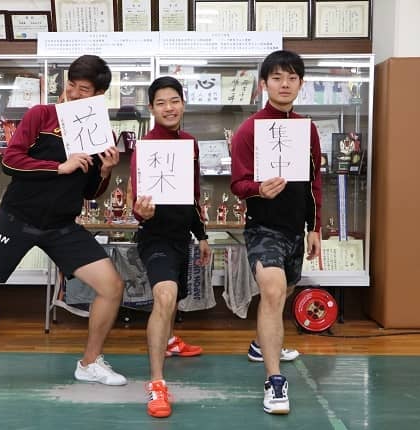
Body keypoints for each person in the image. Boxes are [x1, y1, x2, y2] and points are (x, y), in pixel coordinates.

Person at [0, 55, 127, 387]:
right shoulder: (41, 115)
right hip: (16, 219)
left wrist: (105, 171)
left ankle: (89, 363)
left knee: (112, 286)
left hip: (61, 226)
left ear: (99, 95)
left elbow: (90, 192)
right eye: (71, 85)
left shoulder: (100, 132)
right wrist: (59, 166)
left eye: (84, 89)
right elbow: (11, 161)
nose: (73, 93)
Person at [230, 50, 322, 415]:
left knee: (285, 290)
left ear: (300, 84)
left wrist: (314, 228)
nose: (285, 84)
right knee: (272, 290)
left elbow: (315, 181)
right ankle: (274, 380)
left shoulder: (306, 129)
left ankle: (260, 344)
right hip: (263, 227)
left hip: (296, 229)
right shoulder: (249, 129)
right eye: (277, 78)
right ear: (264, 84)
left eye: (292, 78)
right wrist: (258, 190)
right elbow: (238, 184)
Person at [130, 76, 211, 418]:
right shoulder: (145, 146)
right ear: (151, 108)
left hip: (182, 236)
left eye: (174, 100)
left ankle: (171, 340)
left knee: (175, 293)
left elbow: (193, 195)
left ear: (183, 103)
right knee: (165, 295)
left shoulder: (190, 144)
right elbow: (137, 199)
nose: (168, 108)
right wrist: (141, 211)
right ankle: (157, 383)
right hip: (154, 236)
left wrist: (201, 235)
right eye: (161, 102)